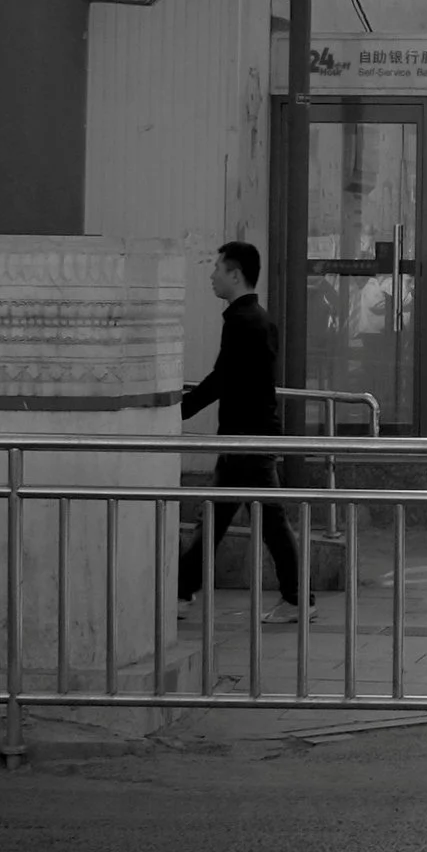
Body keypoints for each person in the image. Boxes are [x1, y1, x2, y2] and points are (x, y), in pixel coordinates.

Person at [178, 241, 306, 621]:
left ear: (235, 274)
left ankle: (298, 597)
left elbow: (222, 379)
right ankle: (183, 589)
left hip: (247, 441)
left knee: (269, 521)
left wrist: (179, 411)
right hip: (249, 437)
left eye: (217, 267)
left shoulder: (242, 323)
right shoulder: (259, 320)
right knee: (220, 517)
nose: (211, 274)